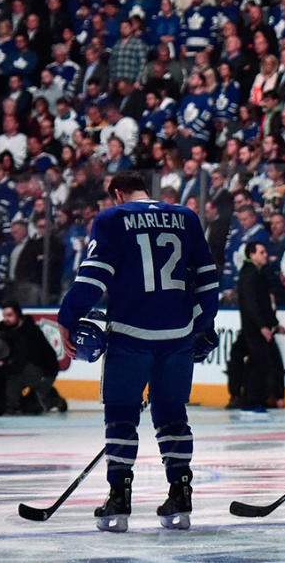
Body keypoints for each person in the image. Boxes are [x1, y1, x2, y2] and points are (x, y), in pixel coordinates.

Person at [56, 172, 220, 532]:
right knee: (172, 415)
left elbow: (91, 280)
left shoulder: (112, 218)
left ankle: (120, 497)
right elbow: (209, 282)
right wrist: (200, 324)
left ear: (117, 193)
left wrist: (66, 317)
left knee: (121, 415)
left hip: (130, 336)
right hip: (177, 337)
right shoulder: (187, 217)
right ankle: (180, 492)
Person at [0, 301, 65, 415]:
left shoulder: (31, 331)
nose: (6, 319)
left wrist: (1, 367)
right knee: (3, 401)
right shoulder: (3, 328)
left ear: (18, 314)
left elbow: (22, 361)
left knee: (31, 408)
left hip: (43, 370)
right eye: (5, 315)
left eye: (10, 315)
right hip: (17, 369)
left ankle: (53, 399)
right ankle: (21, 401)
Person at [237, 241, 282, 412]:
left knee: (258, 362)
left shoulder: (258, 274)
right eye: (262, 252)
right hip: (253, 327)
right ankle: (253, 400)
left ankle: (251, 399)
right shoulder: (249, 275)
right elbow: (251, 304)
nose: (265, 255)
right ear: (252, 255)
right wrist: (262, 326)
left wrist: (274, 324)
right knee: (258, 363)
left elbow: (264, 304)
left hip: (258, 326)